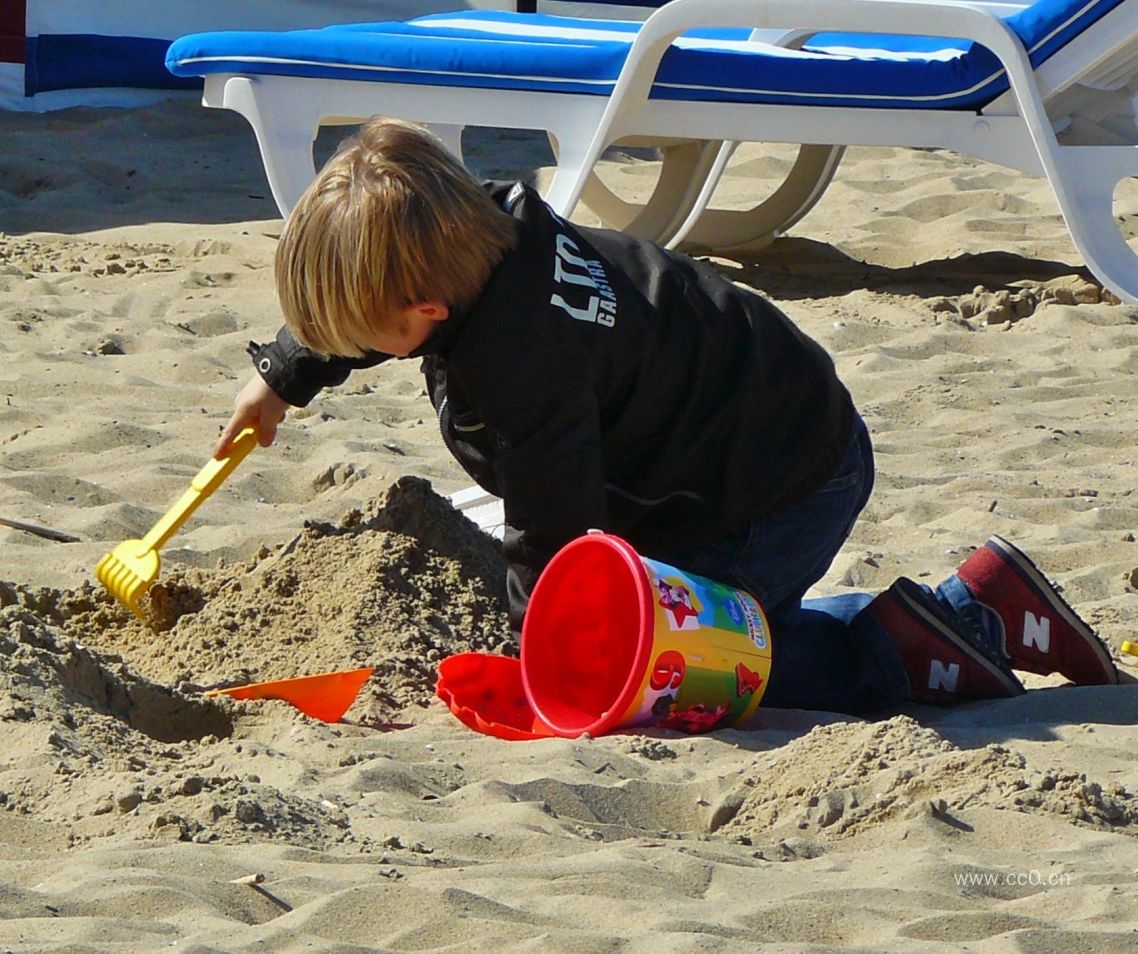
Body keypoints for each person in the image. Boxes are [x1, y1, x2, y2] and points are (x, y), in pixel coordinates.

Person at [216, 118, 1119, 714]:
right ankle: (981, 602)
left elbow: (553, 531)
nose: (357, 345)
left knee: (680, 665)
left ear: (427, 312)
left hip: (777, 482)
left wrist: (541, 667)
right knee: (689, 623)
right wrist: (289, 372)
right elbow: (387, 291)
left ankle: (920, 646)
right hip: (758, 415)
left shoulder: (522, 370)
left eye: (362, 335)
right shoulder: (482, 231)